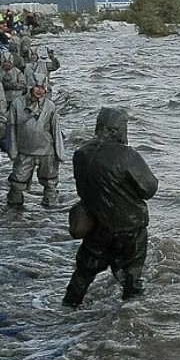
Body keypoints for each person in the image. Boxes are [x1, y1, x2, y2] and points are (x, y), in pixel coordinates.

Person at [62, 107, 158, 306]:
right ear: (117, 129)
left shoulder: (81, 153)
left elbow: (83, 188)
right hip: (130, 228)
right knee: (132, 276)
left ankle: (68, 308)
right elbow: (148, 188)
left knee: (83, 273)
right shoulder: (126, 155)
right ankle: (130, 316)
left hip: (97, 226)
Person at [5, 66, 64, 207]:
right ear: (30, 86)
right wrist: (12, 149)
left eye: (42, 87)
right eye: (36, 86)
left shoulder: (50, 106)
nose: (39, 90)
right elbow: (11, 128)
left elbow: (56, 129)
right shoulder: (17, 104)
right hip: (25, 151)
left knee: (50, 183)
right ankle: (14, 211)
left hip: (46, 151)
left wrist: (59, 153)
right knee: (17, 183)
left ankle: (50, 212)